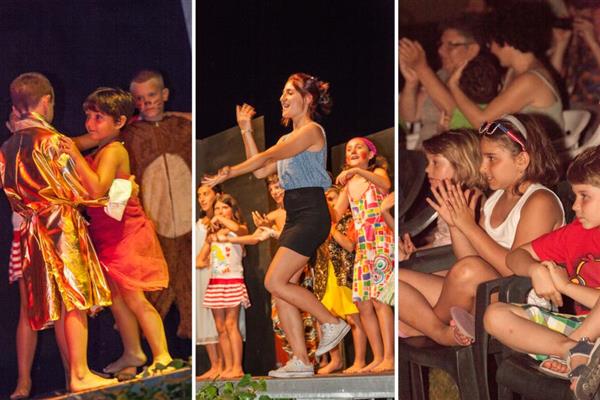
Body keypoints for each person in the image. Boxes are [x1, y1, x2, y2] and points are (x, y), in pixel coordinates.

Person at [203, 73, 350, 378]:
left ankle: (332, 322)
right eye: (282, 93)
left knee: (274, 281)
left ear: (307, 98)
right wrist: (246, 130)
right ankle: (302, 361)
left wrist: (229, 172)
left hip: (310, 212)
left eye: (289, 92)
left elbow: (267, 157)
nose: (283, 98)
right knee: (282, 290)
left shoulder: (311, 131)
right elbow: (261, 171)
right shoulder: (286, 139)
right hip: (296, 214)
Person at [399, 114, 564, 346]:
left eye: (491, 158)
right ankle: (436, 331)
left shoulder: (540, 201)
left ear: (521, 160)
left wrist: (469, 226)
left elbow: (516, 271)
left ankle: (428, 330)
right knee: (393, 277)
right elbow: (470, 258)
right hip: (483, 289)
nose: (482, 167)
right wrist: (457, 225)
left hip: (518, 302)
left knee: (469, 271)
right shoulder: (495, 200)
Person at [0, 72, 115, 392]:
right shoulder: (50, 141)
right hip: (59, 224)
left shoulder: (7, 147)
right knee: (75, 297)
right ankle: (79, 372)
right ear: (46, 101)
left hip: (31, 231)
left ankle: (75, 373)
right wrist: (109, 192)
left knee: (61, 301)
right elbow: (85, 189)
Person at [58, 87, 172, 375]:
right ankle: (133, 352)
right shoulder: (100, 144)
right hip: (107, 235)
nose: (90, 124)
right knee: (117, 300)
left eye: (98, 118)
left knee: (134, 298)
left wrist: (75, 155)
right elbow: (71, 142)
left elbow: (97, 188)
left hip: (126, 235)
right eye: (88, 116)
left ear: (119, 121)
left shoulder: (113, 150)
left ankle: (163, 355)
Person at [484, 146, 600, 399]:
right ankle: (571, 351)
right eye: (574, 196)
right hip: (583, 331)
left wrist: (566, 287)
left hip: (589, 333)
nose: (575, 206)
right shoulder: (575, 233)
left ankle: (577, 350)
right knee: (495, 315)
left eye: (584, 196)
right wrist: (534, 269)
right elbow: (516, 256)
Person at [123, 69, 192, 338]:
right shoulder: (130, 134)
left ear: (164, 94)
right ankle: (148, 347)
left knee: (188, 282)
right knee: (153, 287)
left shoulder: (181, 126)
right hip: (153, 221)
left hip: (185, 219)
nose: (146, 102)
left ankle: (191, 344)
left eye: (151, 95)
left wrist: (177, 116)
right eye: (139, 99)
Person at [449, 2, 564, 129]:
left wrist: (454, 86)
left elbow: (482, 123)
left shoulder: (530, 80)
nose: (491, 49)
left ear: (506, 40)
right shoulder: (515, 71)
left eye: (491, 42)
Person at [333, 137, 395, 372]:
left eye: (358, 147)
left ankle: (389, 356)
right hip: (362, 248)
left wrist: (358, 171)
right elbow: (335, 214)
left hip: (381, 241)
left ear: (370, 154)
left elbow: (385, 185)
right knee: (363, 303)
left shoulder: (377, 172)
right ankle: (377, 357)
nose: (352, 150)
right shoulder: (348, 187)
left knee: (380, 299)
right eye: (348, 148)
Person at [399, 129, 487, 257]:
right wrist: (416, 253)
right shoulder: (449, 197)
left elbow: (458, 252)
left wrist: (416, 260)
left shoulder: (470, 199)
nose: (427, 169)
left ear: (461, 165)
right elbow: (442, 242)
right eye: (428, 162)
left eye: (435, 163)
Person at [399, 14, 482, 146]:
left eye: (451, 45)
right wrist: (411, 82)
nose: (441, 51)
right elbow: (410, 117)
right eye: (441, 44)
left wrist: (422, 68)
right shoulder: (440, 75)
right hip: (421, 151)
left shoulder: (481, 80)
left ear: (473, 49)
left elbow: (456, 114)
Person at [315, 186, 367, 374]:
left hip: (345, 274)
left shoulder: (350, 219)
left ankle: (360, 360)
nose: (329, 204)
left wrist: (332, 229)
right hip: (326, 276)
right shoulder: (321, 223)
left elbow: (350, 245)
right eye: (326, 200)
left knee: (353, 318)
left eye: (332, 199)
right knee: (324, 317)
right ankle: (335, 360)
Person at [199, 193, 249, 379]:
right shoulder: (212, 234)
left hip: (233, 280)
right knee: (220, 327)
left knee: (231, 323)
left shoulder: (239, 229)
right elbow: (200, 259)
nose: (220, 211)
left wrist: (219, 219)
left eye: (224, 208)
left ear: (232, 210)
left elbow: (237, 228)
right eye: (217, 208)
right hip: (216, 283)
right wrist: (206, 259)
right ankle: (227, 367)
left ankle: (237, 366)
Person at [196, 184, 224, 380]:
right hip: (202, 274)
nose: (202, 198)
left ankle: (224, 363)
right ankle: (214, 364)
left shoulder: (223, 220)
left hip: (219, 272)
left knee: (220, 320)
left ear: (217, 195)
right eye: (199, 195)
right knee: (205, 317)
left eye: (206, 194)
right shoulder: (199, 223)